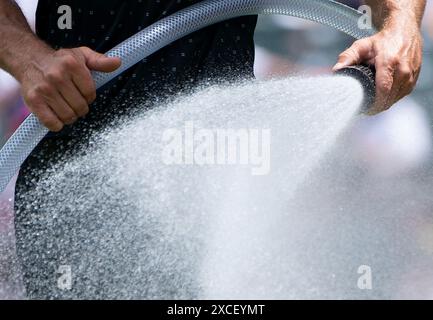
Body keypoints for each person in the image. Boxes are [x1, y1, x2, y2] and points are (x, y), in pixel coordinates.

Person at [0, 0, 426, 299]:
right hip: (79, 168)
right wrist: (28, 57)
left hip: (216, 164)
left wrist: (400, 22)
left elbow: (396, 14)